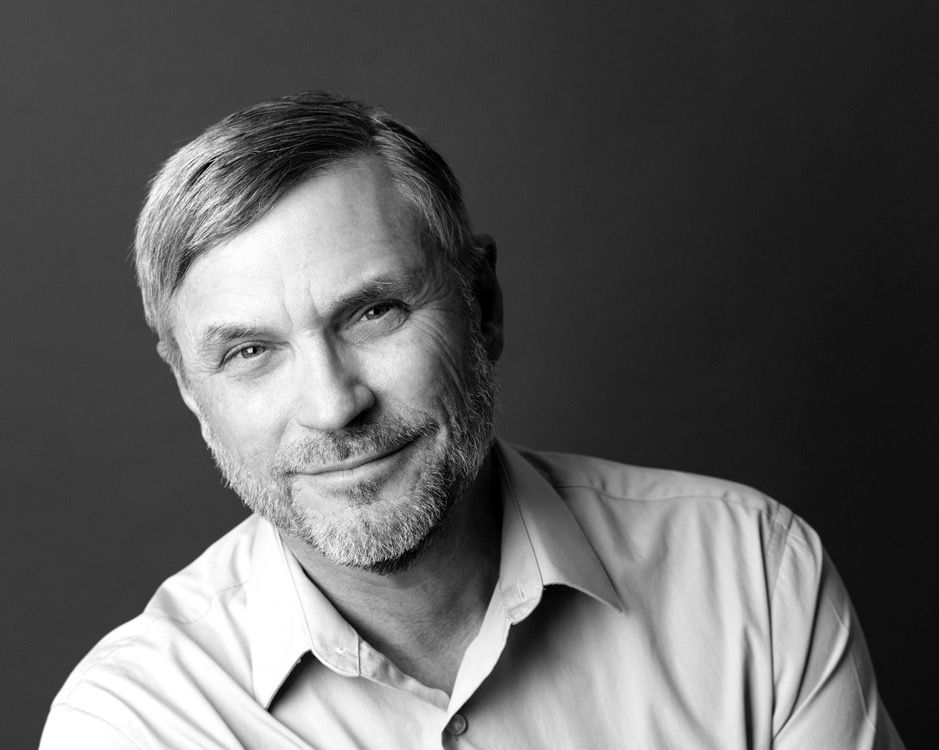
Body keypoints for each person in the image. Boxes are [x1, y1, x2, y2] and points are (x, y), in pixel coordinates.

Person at [40, 92, 904, 749]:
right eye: (249, 353)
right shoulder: (136, 722)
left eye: (373, 311)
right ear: (192, 391)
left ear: (480, 303)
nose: (335, 405)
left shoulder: (749, 574)